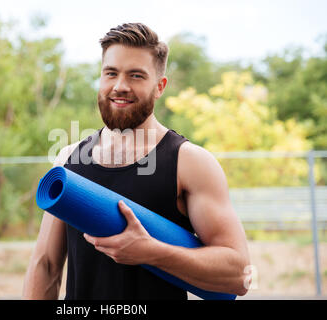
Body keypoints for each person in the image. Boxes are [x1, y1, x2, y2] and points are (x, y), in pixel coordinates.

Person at [23, 23, 250, 300]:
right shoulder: (69, 159)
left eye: (136, 75)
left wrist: (152, 252)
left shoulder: (189, 162)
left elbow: (240, 275)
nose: (120, 86)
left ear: (159, 87)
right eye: (111, 73)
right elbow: (45, 264)